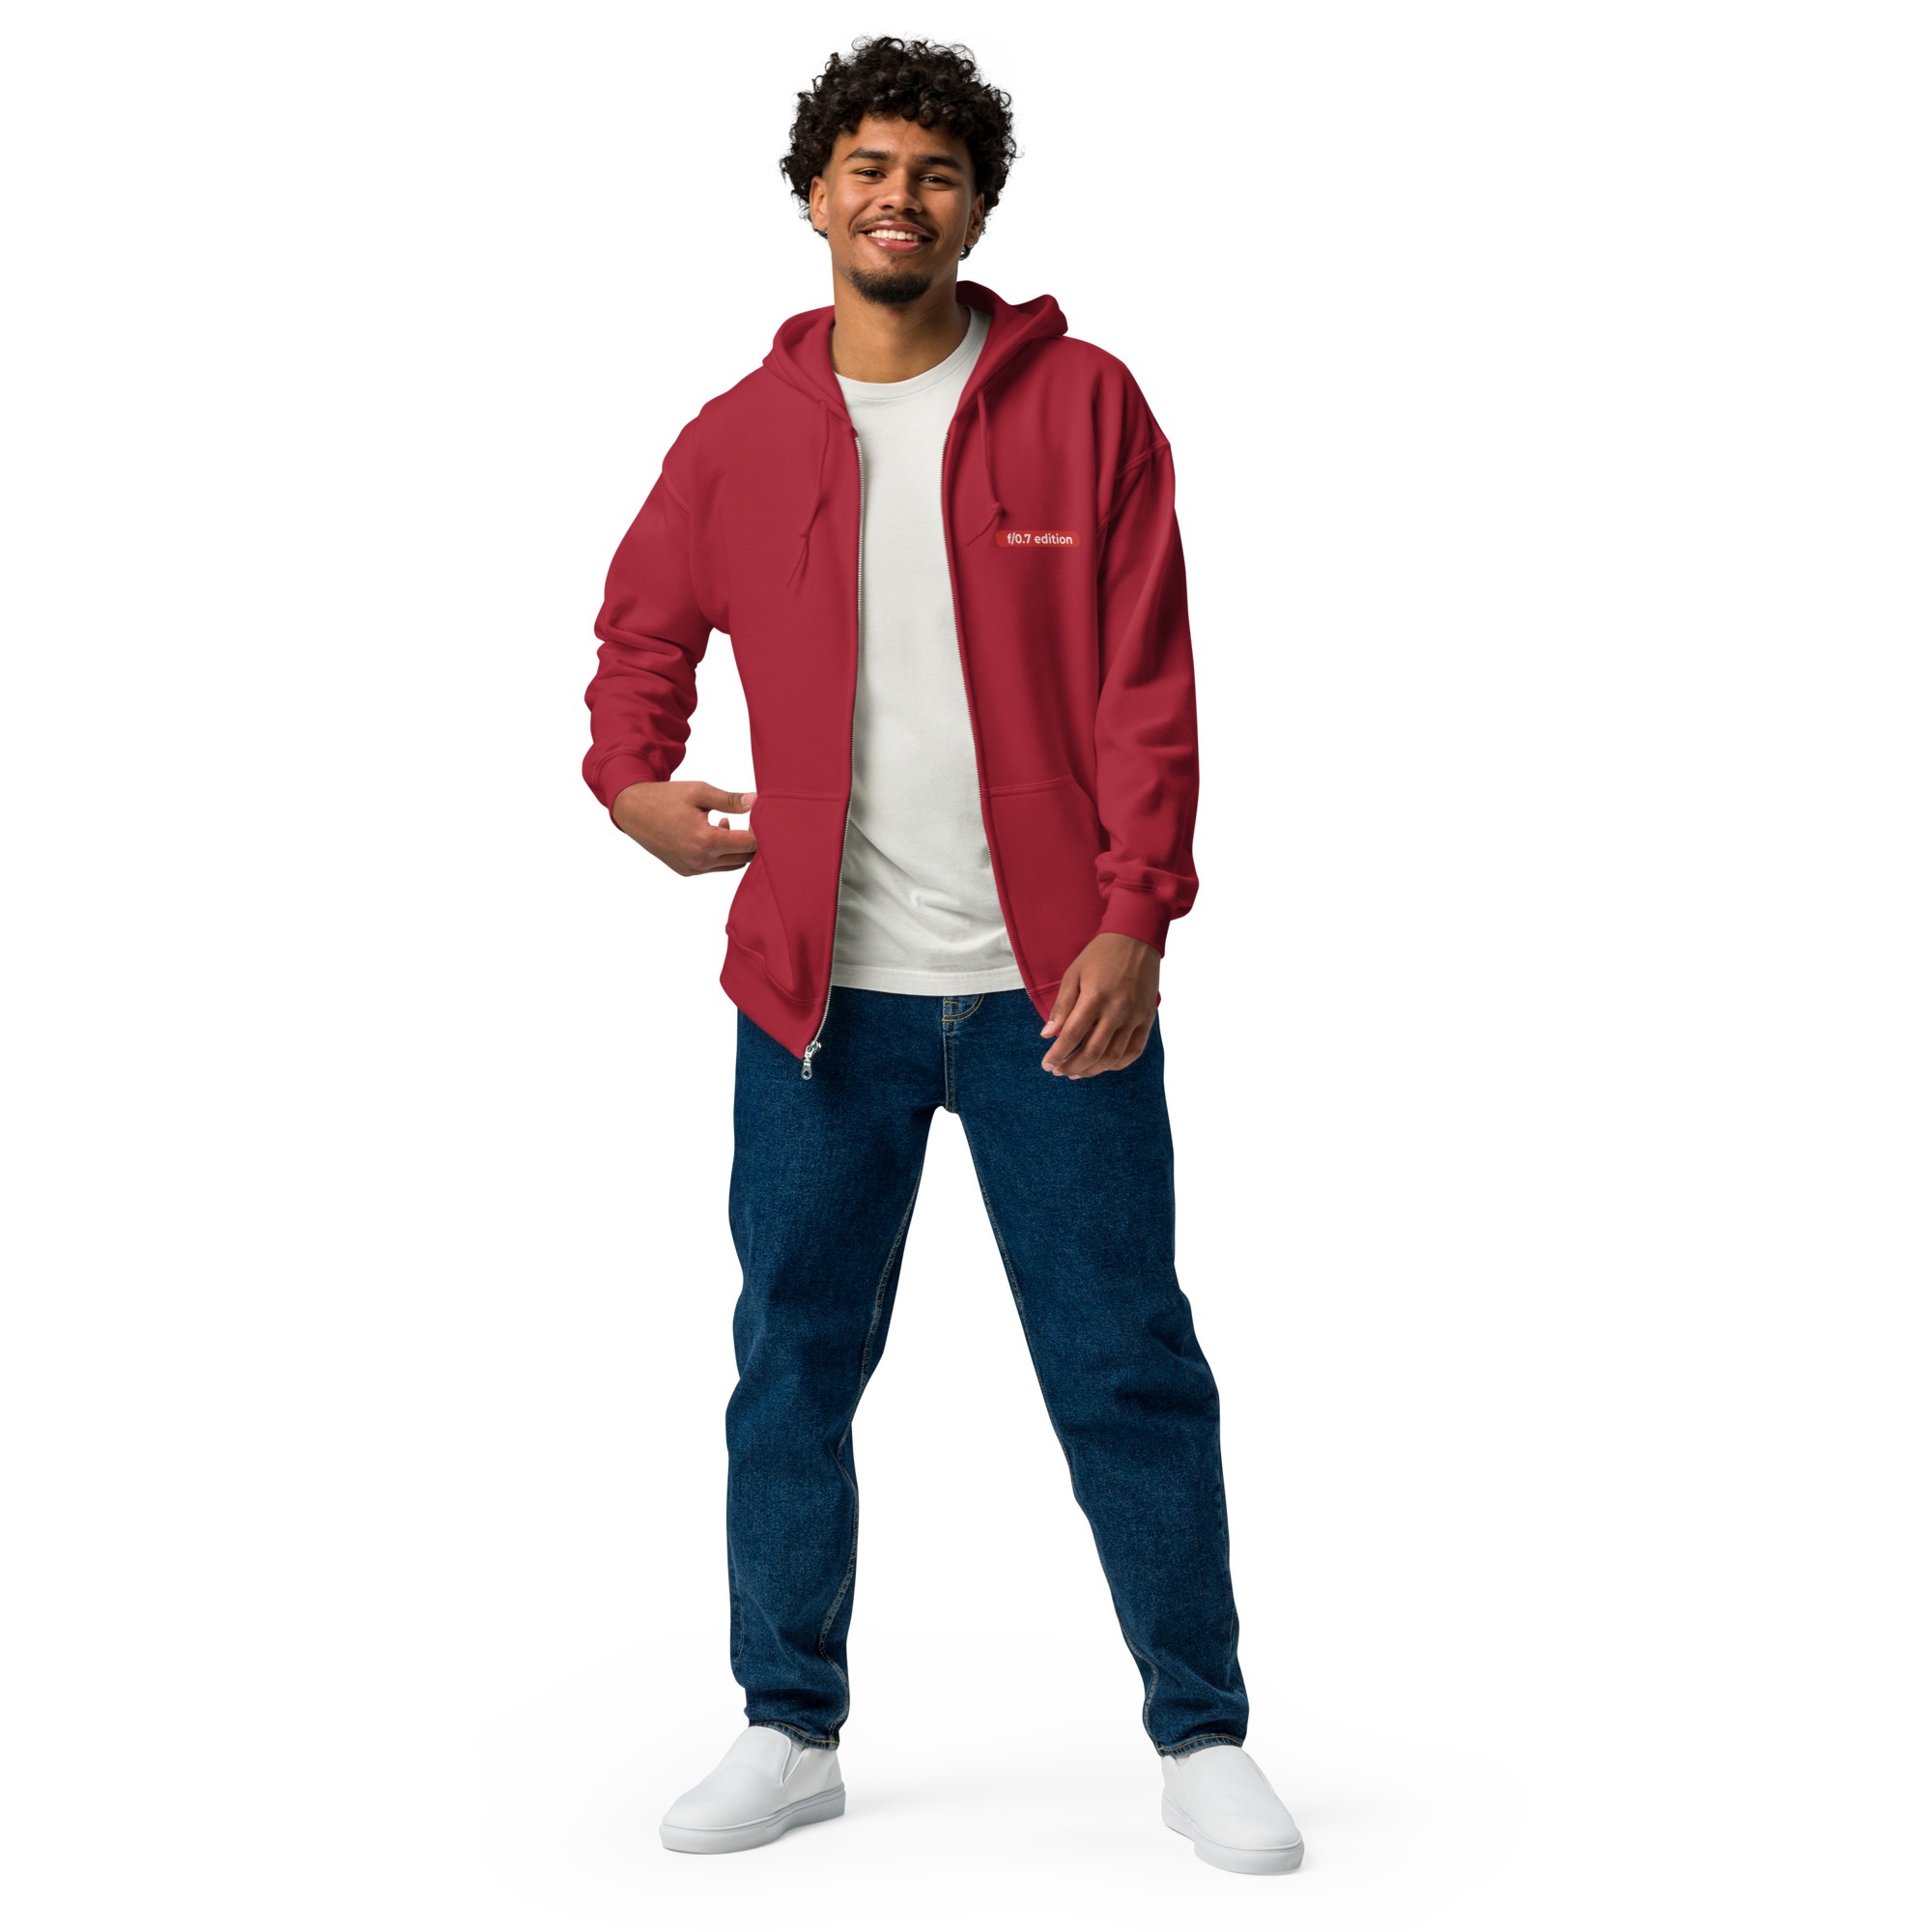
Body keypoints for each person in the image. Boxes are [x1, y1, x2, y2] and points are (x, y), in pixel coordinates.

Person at [582, 36, 1302, 1877]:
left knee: (1126, 1362)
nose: (899, 197)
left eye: (937, 173)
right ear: (815, 194)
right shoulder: (736, 438)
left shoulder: (1087, 406)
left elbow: (1149, 681)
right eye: (869, 166)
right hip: (817, 1003)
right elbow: (640, 631)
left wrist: (1138, 910)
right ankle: (787, 1724)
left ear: (977, 209)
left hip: (1056, 992)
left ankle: (1202, 1731)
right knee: (793, 1364)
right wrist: (631, 782)